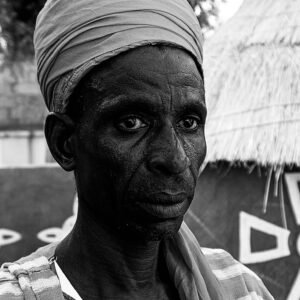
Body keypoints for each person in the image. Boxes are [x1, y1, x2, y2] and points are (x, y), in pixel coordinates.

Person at [0, 0, 274, 299]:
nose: (175, 158)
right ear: (64, 143)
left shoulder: (240, 288)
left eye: (189, 122)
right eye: (131, 123)